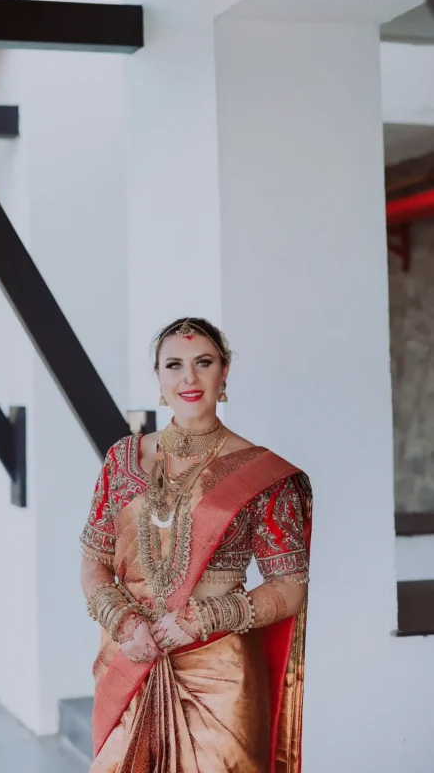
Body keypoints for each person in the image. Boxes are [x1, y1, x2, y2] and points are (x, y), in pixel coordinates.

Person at [80, 317, 311, 773]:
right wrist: (124, 623)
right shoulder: (122, 460)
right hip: (130, 661)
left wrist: (202, 618)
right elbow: (93, 563)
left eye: (203, 362)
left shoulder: (262, 475)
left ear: (224, 373)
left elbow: (289, 587)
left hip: (217, 675)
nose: (189, 377)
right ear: (158, 377)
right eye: (174, 365)